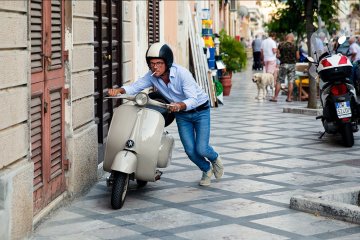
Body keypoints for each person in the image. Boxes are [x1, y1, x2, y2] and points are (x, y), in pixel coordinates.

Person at [108, 42, 224, 186]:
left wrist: (179, 105)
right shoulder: (151, 76)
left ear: (167, 63)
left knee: (201, 148)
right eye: (152, 63)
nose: (155, 66)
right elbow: (135, 87)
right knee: (190, 150)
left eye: (159, 63)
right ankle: (206, 169)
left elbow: (193, 99)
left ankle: (215, 158)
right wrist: (119, 91)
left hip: (200, 111)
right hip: (182, 115)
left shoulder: (182, 74)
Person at [270, 33, 299, 102]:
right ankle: (289, 98)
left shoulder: (281, 45)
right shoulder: (295, 45)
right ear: (291, 38)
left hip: (283, 65)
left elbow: (277, 55)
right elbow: (298, 57)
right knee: (291, 81)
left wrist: (282, 58)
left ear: (286, 38)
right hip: (292, 65)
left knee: (279, 81)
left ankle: (275, 97)